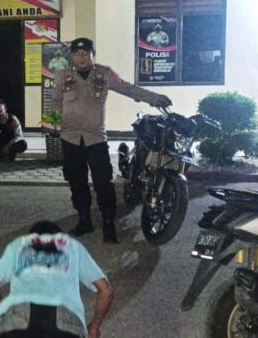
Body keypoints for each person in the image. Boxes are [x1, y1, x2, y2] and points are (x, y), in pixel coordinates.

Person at [51, 37, 172, 244]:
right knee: (77, 182)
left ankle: (108, 222)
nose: (81, 57)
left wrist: (154, 98)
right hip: (70, 138)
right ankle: (84, 219)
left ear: (93, 55)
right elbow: (55, 102)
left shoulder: (104, 73)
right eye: (77, 54)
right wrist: (54, 125)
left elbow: (127, 88)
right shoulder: (62, 76)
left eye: (86, 53)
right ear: (72, 56)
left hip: (96, 138)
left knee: (103, 183)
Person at [0, 220, 113, 338]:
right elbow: (106, 291)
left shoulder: (17, 248)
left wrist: (5, 317)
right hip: (64, 321)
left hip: (19, 319)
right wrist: (94, 327)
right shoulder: (73, 247)